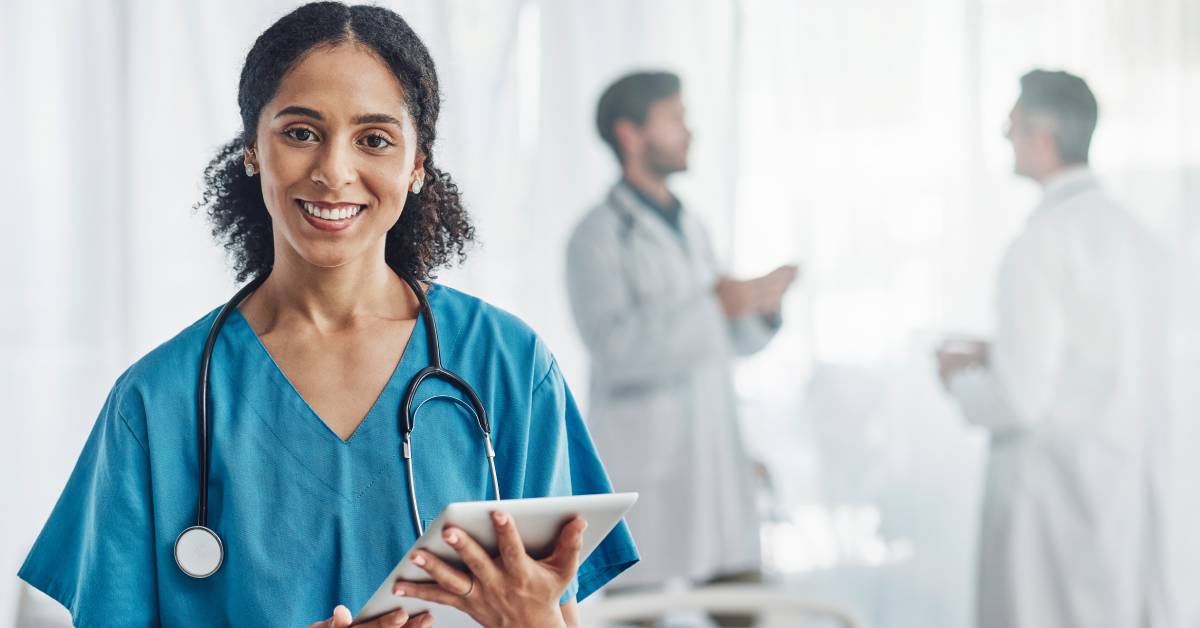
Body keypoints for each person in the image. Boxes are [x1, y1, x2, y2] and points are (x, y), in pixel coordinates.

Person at [17, 3, 637, 626]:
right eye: (300, 132)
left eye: (374, 139)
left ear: (417, 164)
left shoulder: (508, 366)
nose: (333, 171)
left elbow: (557, 609)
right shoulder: (157, 403)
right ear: (253, 149)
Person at [936, 69, 1168, 628]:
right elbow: (1105, 355)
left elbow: (1019, 400)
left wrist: (956, 378)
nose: (1002, 135)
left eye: (1011, 125)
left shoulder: (1039, 244)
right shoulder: (1134, 236)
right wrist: (1001, 351)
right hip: (1115, 490)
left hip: (1049, 506)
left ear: (1043, 137)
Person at [565, 71, 796, 597]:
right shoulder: (596, 236)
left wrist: (760, 310)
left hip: (713, 463)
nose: (689, 132)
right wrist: (718, 305)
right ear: (630, 133)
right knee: (637, 611)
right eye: (676, 120)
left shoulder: (693, 225)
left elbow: (725, 341)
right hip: (647, 469)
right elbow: (616, 351)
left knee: (744, 603)